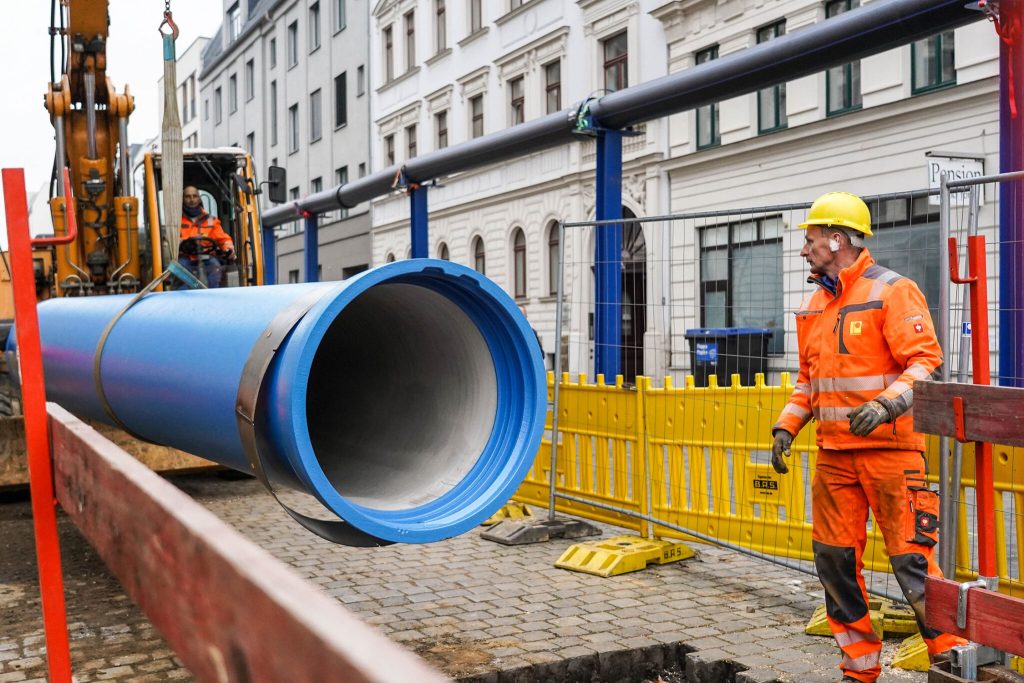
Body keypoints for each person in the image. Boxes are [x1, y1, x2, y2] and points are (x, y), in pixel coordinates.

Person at [770, 192, 964, 683]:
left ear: (837, 239)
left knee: (913, 565)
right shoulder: (813, 305)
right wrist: (786, 426)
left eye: (811, 239)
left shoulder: (893, 291)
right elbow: (809, 382)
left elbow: (926, 362)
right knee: (834, 565)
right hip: (835, 458)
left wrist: (885, 405)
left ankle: (952, 662)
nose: (804, 249)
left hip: (892, 455)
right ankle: (859, 669)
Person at [179, 186, 235, 288]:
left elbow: (223, 239)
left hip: (207, 257)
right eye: (188, 196)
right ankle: (182, 296)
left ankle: (213, 294)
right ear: (182, 199)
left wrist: (228, 248)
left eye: (195, 196)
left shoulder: (211, 220)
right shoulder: (177, 221)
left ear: (199, 199)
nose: (192, 199)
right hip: (186, 258)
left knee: (215, 267)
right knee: (179, 270)